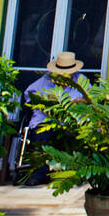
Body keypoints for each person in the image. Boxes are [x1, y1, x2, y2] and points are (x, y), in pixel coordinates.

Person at [20, 52, 86, 186]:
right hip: (46, 120)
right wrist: (44, 101)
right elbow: (28, 95)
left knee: (79, 136)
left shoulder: (80, 80)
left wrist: (79, 101)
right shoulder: (45, 80)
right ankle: (39, 175)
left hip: (71, 122)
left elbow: (91, 99)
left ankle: (72, 174)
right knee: (41, 134)